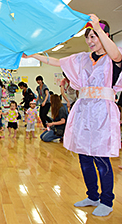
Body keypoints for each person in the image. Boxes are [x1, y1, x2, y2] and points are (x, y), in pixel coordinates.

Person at [25, 14, 122, 216]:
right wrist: (34, 56)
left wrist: (98, 27)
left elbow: (116, 55)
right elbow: (56, 61)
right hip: (84, 110)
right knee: (84, 156)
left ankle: (107, 201)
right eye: (88, 37)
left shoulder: (113, 59)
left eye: (94, 36)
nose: (90, 41)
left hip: (102, 112)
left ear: (105, 36)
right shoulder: (82, 59)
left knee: (101, 158)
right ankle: (92, 195)